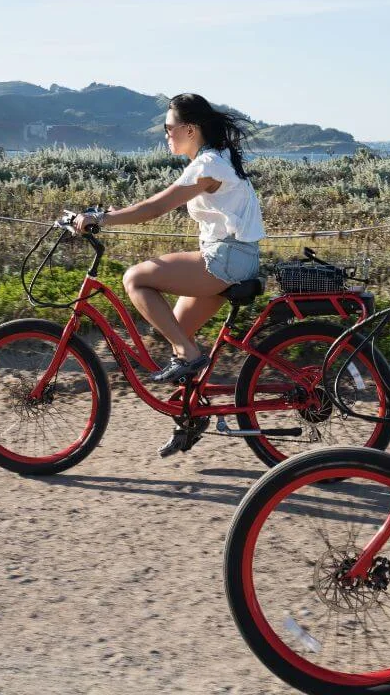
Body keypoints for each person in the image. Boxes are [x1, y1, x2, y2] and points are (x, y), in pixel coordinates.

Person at [73, 93, 266, 456]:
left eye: (168, 128)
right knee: (178, 331)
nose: (166, 135)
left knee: (135, 279)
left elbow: (157, 206)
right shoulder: (214, 160)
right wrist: (115, 212)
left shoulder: (208, 164)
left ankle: (190, 354)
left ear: (190, 129)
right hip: (233, 258)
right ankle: (191, 418)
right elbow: (153, 204)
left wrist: (102, 219)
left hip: (226, 259)